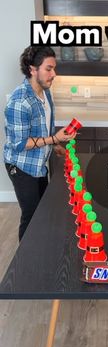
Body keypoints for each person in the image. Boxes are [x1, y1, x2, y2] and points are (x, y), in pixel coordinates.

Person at [4, 46, 76, 241]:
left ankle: (41, 248)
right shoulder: (19, 101)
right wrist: (55, 139)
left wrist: (54, 146)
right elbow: (20, 144)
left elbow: (43, 128)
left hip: (38, 164)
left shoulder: (45, 93)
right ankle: (25, 263)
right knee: (31, 216)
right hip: (21, 166)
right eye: (49, 68)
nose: (54, 74)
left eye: (54, 68)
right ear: (32, 69)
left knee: (42, 210)